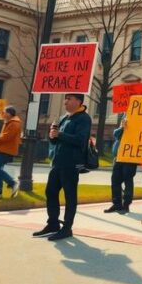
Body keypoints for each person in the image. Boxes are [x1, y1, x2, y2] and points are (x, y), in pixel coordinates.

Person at [33, 94, 91, 241]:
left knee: (69, 196)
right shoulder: (64, 118)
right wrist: (53, 136)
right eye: (65, 99)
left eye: (69, 99)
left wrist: (61, 134)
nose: (65, 101)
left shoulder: (84, 118)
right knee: (50, 192)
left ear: (78, 101)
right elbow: (56, 142)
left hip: (71, 163)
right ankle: (53, 224)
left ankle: (67, 228)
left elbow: (81, 140)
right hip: (57, 162)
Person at [105, 115, 137, 214]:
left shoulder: (139, 119)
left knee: (128, 180)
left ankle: (126, 205)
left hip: (131, 156)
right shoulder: (125, 117)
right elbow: (116, 134)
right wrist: (122, 127)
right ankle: (117, 204)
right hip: (119, 157)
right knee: (115, 180)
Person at [0, 106, 21, 198]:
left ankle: (13, 183)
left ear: (9, 114)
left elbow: (6, 137)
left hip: (5, 150)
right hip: (4, 149)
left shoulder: (14, 123)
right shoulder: (9, 122)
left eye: (4, 112)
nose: (2, 114)